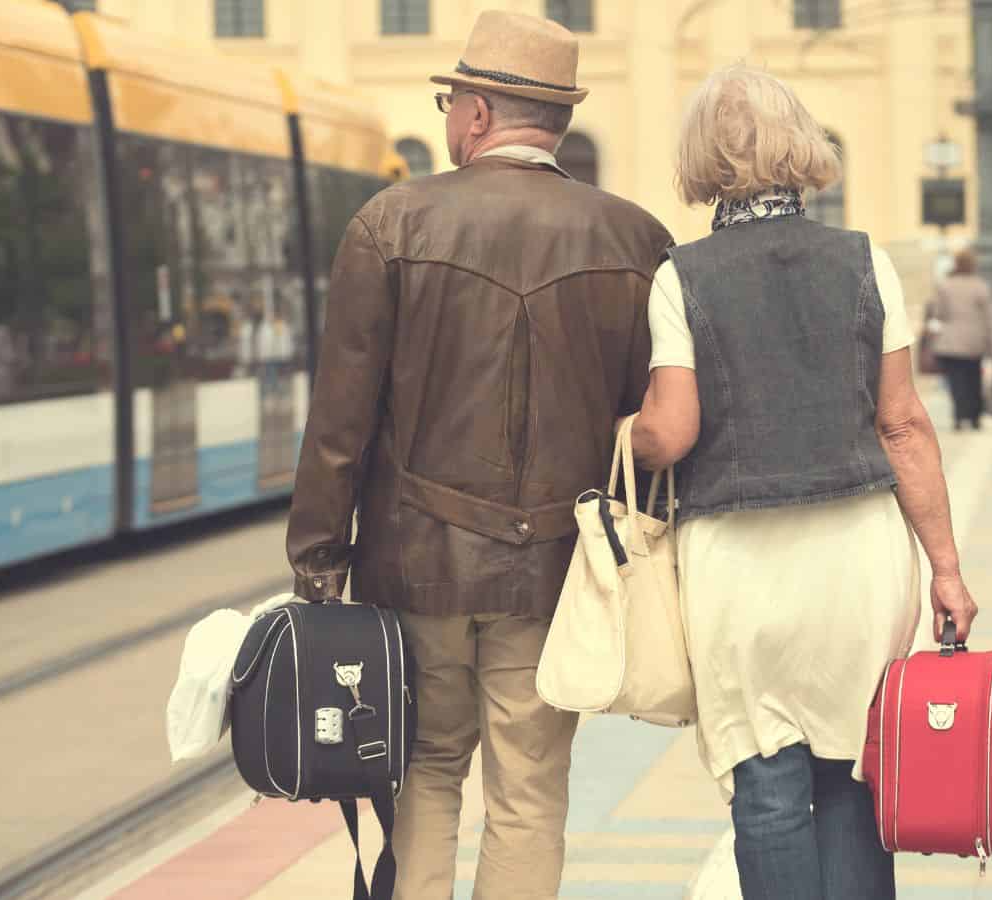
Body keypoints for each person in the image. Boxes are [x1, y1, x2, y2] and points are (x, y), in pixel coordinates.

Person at [284, 11, 671, 900]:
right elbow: (646, 420)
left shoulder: (390, 223)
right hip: (556, 575)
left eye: (455, 100)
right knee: (530, 791)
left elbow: (339, 422)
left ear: (480, 115)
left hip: (413, 567)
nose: (452, 116)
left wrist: (317, 566)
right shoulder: (635, 239)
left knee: (423, 770)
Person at [629, 64, 979, 900]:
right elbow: (903, 426)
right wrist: (947, 568)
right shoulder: (865, 264)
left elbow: (670, 432)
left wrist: (624, 435)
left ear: (700, 159)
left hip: (738, 571)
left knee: (767, 787)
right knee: (855, 781)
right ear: (800, 146)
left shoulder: (683, 275)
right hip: (855, 561)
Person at [927, 247, 992, 431]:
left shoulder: (945, 286)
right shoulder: (980, 286)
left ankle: (959, 417)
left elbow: (939, 313)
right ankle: (975, 417)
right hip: (974, 342)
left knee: (955, 382)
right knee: (974, 379)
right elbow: (989, 317)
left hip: (949, 342)